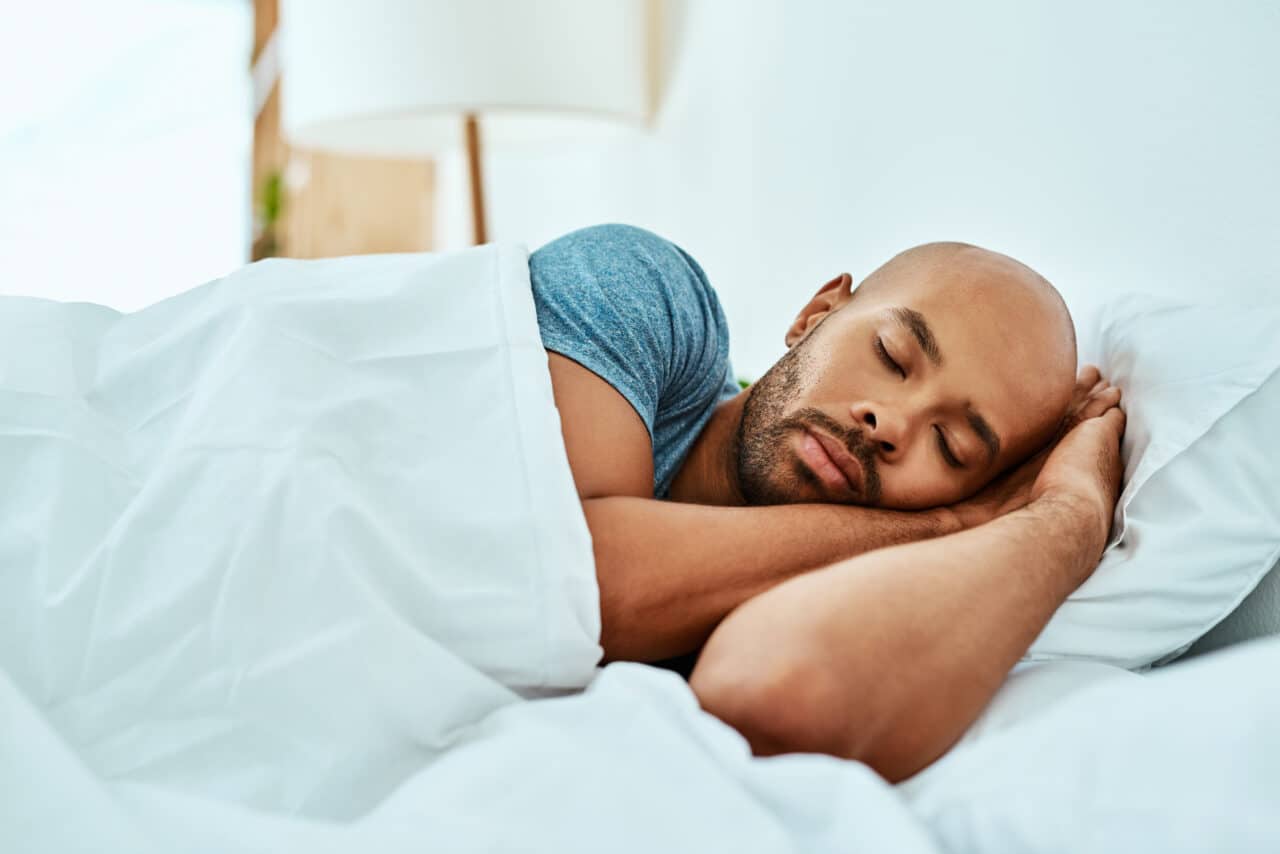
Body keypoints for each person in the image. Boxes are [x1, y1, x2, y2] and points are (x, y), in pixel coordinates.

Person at [530, 223, 1125, 781]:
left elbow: (776, 696)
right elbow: (574, 583)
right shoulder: (639, 290)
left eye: (952, 447)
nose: (889, 423)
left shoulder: (839, 582)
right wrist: (954, 522)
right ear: (815, 315)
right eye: (892, 357)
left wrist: (1070, 516)